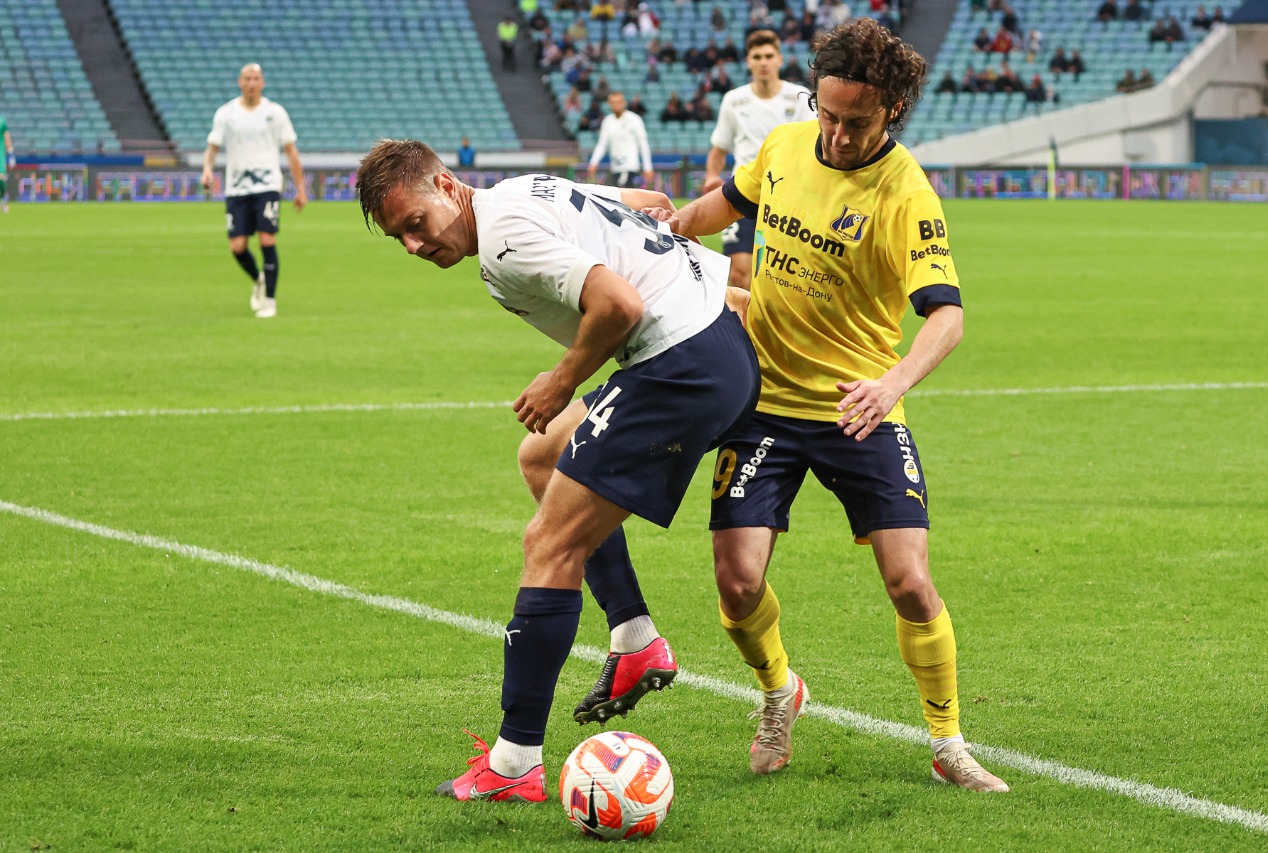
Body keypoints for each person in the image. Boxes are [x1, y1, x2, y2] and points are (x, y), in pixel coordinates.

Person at [643, 18, 1010, 792]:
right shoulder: (783, 144)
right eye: (829, 114)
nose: (837, 135)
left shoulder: (906, 193)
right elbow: (728, 200)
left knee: (910, 580)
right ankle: (779, 692)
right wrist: (673, 226)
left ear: (894, 111)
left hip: (859, 405)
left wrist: (892, 385)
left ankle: (948, 742)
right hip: (765, 400)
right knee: (736, 582)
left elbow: (947, 315)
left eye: (857, 122)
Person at [354, 138, 760, 803]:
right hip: (712, 342)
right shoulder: (518, 192)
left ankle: (514, 763)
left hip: (680, 364)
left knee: (548, 542)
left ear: (446, 185)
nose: (413, 245)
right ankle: (634, 636)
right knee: (541, 455)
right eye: (398, 236)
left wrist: (560, 379)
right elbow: (648, 203)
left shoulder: (506, 239)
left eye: (415, 223)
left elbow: (621, 305)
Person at [702, 30, 815, 290]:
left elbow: (812, 145)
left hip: (788, 197)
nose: (763, 62)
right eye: (757, 56)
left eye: (768, 56)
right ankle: (746, 331)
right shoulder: (734, 100)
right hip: (743, 192)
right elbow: (718, 149)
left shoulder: (799, 98)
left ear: (779, 59)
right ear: (748, 61)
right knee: (739, 275)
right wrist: (710, 175)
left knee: (781, 277)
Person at [201, 63, 306, 319]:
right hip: (236, 188)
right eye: (247, 78)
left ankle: (269, 300)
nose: (251, 83)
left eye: (256, 78)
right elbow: (213, 148)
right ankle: (259, 278)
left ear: (262, 83)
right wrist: (206, 170)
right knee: (237, 246)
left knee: (267, 239)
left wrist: (300, 188)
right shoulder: (226, 114)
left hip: (267, 185)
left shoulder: (275, 113)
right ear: (240, 82)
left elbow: (290, 151)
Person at [587, 91, 654, 188]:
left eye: (618, 102)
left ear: (624, 103)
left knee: (626, 199)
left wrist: (648, 167)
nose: (616, 105)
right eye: (613, 102)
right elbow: (602, 145)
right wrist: (593, 163)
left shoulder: (634, 119)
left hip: (630, 167)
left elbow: (643, 144)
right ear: (609, 104)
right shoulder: (607, 121)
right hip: (615, 168)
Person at [1, 113, 13, 213]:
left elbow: (6, 137)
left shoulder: (2, 121)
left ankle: (3, 202)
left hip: (0, 154)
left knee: (1, 178)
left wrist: (10, 153)